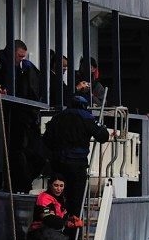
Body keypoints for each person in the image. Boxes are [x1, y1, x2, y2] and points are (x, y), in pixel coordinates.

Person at [42, 89, 109, 217]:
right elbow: (103, 136)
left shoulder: (57, 117)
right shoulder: (86, 117)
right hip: (77, 164)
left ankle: (56, 220)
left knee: (57, 195)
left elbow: (46, 140)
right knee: (76, 198)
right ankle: (74, 225)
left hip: (57, 164)